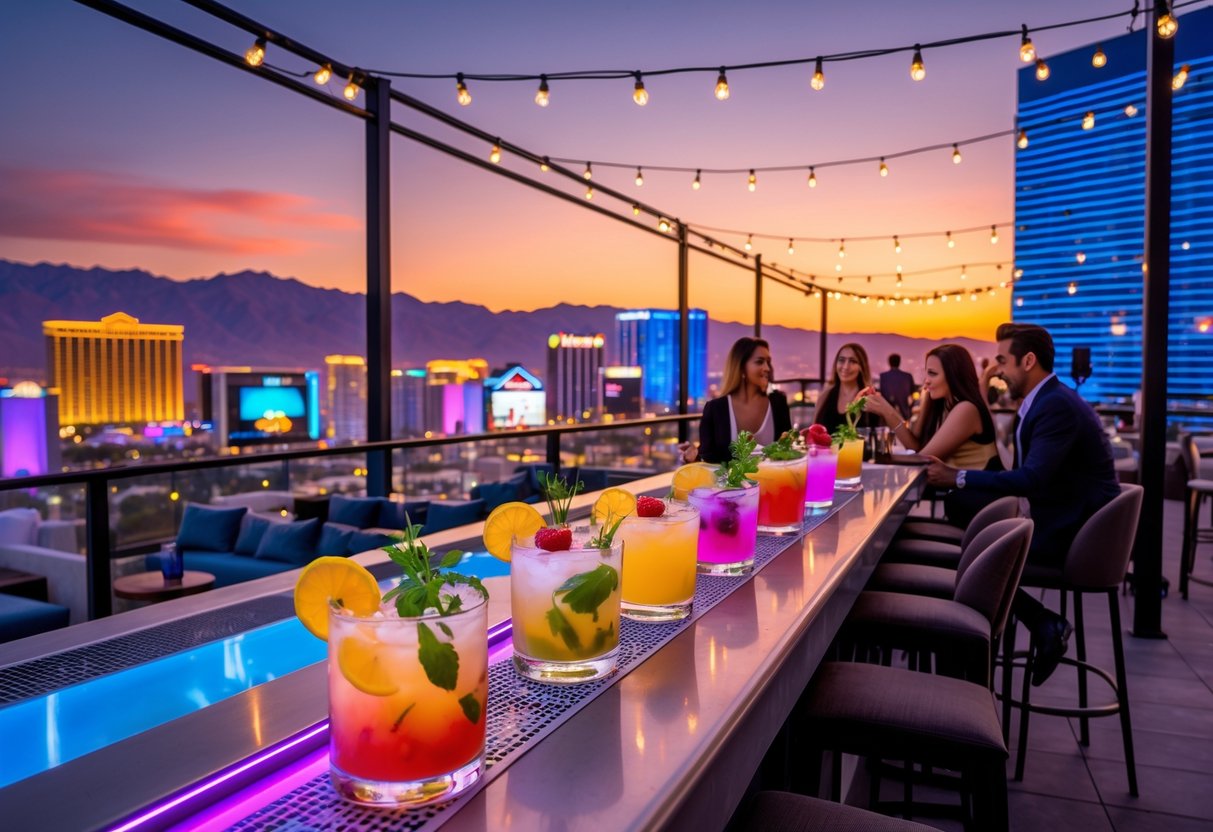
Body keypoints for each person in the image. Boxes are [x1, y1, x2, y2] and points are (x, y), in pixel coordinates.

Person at [925, 323, 1121, 685]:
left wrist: (958, 477)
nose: (997, 369)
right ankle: (1032, 628)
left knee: (971, 558)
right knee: (972, 545)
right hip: (1068, 521)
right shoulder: (1045, 401)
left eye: (1003, 360)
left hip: (1077, 536)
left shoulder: (1055, 406)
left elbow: (1030, 478)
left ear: (1028, 361)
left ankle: (961, 683)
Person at [681, 337, 791, 464]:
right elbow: (707, 461)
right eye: (760, 362)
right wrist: (693, 456)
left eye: (768, 362)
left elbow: (787, 452)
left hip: (772, 483)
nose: (767, 368)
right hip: (728, 484)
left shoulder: (778, 403)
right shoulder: (715, 409)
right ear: (741, 367)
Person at [812, 343, 878, 434]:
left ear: (861, 367)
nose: (846, 367)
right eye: (841, 360)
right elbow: (813, 433)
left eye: (853, 361)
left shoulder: (870, 397)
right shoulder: (825, 396)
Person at [879, 353, 915, 421]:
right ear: (899, 362)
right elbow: (912, 392)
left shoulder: (883, 376)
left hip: (888, 412)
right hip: (905, 412)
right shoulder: (907, 376)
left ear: (889, 362)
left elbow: (882, 392)